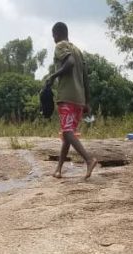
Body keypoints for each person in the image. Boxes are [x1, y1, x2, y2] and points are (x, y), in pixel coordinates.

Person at [44, 22, 99, 180]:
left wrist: (53, 76)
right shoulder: (78, 51)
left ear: (57, 33)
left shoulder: (61, 46)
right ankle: (59, 169)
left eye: (53, 35)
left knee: (67, 132)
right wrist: (87, 102)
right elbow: (85, 78)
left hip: (67, 96)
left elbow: (69, 63)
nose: (53, 38)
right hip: (79, 99)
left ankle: (89, 160)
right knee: (68, 133)